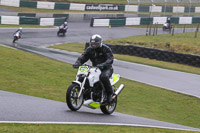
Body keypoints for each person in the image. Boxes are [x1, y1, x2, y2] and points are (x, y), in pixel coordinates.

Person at [73, 34, 114, 103]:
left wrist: (103, 64)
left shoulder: (106, 49)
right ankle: (86, 92)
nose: (94, 45)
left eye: (95, 44)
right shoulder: (89, 49)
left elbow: (110, 59)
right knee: (83, 76)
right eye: (92, 43)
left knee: (103, 77)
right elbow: (83, 57)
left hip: (106, 68)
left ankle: (110, 94)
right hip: (95, 68)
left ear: (100, 43)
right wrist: (78, 63)